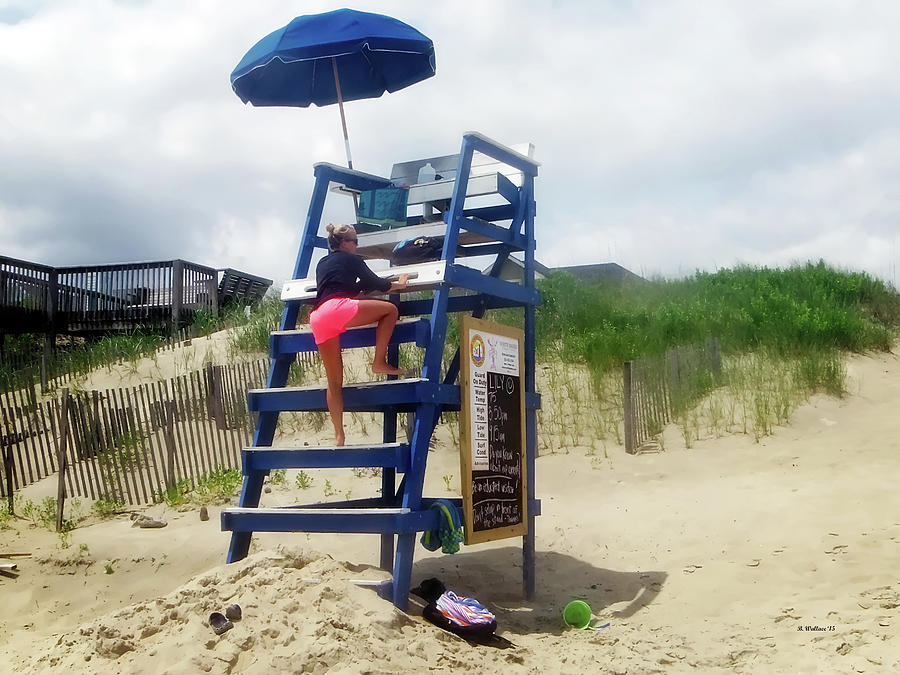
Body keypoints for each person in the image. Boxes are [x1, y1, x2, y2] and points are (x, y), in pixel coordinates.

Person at [308, 224, 409, 446]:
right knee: (390, 310)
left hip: (318, 316)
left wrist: (360, 291)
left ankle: (339, 436)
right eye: (354, 241)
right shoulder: (353, 260)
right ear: (344, 244)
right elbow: (378, 283)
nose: (357, 245)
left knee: (334, 382)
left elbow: (337, 287)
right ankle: (378, 361)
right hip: (339, 309)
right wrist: (399, 284)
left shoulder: (322, 262)